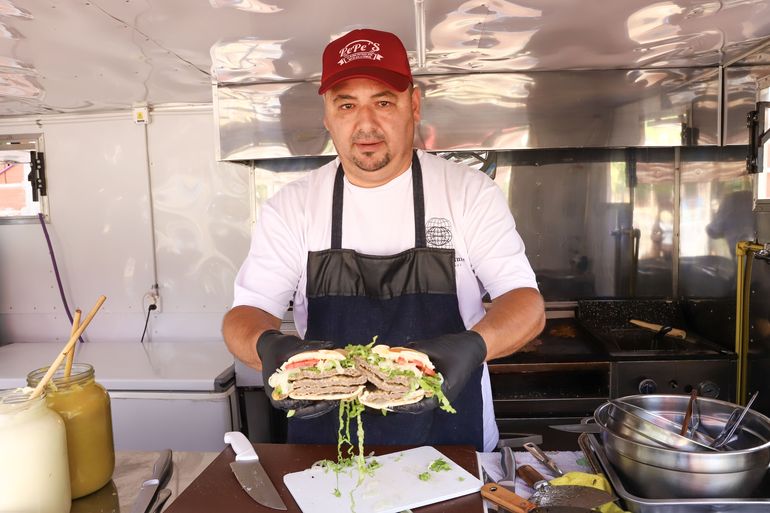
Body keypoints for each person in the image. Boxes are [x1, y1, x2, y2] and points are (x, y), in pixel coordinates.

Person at [222, 28, 545, 452]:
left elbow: (527, 305)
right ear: (327, 116)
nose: (366, 124)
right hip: (328, 449)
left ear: (413, 105)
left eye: (383, 101)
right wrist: (269, 346)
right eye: (347, 104)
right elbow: (244, 315)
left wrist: (472, 346)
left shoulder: (467, 194)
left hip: (452, 443)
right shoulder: (293, 207)